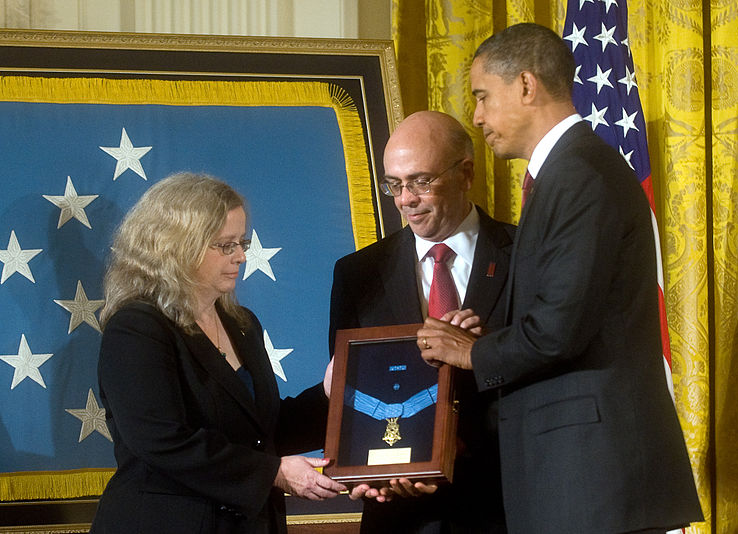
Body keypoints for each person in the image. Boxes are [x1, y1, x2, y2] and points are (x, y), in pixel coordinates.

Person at [417, 23, 704, 534]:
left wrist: (470, 352)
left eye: (483, 96)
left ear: (526, 86)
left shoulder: (580, 177)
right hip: (577, 480)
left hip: (592, 480)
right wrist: (488, 335)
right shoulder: (564, 175)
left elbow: (558, 328)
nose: (477, 117)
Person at [91, 173, 346, 534]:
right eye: (225, 245)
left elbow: (262, 434)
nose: (241, 256)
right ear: (177, 247)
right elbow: (162, 441)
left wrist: (328, 396)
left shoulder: (242, 324)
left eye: (241, 242)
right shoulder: (137, 329)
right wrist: (273, 473)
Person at [329, 110, 514, 533]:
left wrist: (481, 350)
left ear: (466, 173)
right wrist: (367, 475)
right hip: (399, 518)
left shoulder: (526, 255)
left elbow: (550, 362)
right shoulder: (358, 274)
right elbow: (352, 395)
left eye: (420, 181)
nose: (404, 199)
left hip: (503, 503)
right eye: (394, 184)